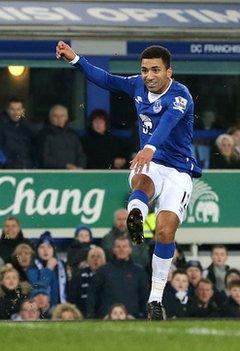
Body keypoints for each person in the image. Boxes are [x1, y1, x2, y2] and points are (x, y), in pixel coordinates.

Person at [57, 42, 201, 320]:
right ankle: (136, 213)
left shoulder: (181, 95)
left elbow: (168, 123)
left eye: (155, 70)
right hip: (151, 164)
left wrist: (150, 147)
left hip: (178, 171)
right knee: (143, 179)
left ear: (169, 72)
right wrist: (76, 59)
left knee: (165, 232)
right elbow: (106, 80)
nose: (149, 75)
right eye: (145, 70)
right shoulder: (137, 85)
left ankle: (155, 300)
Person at [87, 237, 149, 319]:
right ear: (114, 250)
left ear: (130, 250)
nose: (121, 249)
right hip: (107, 318)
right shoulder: (103, 271)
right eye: (118, 247)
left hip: (133, 318)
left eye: (124, 246)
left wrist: (145, 315)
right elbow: (93, 294)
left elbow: (144, 297)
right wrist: (91, 315)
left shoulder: (139, 271)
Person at [0, 97, 36, 169]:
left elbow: (32, 149)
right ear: (7, 110)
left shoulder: (27, 128)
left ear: (23, 111)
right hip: (7, 169)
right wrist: (1, 165)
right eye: (12, 109)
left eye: (18, 109)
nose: (16, 113)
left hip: (27, 168)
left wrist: (32, 164)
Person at [38, 105, 87, 169]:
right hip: (53, 174)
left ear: (66, 117)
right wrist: (66, 165)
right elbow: (44, 159)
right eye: (55, 116)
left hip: (73, 173)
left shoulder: (72, 134)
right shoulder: (43, 135)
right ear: (50, 118)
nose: (59, 118)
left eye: (62, 116)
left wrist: (80, 167)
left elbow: (81, 155)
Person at [68, 246, 106, 314]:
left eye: (98, 257)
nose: (95, 259)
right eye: (92, 257)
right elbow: (72, 298)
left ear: (104, 260)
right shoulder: (78, 276)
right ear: (88, 260)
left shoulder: (108, 276)